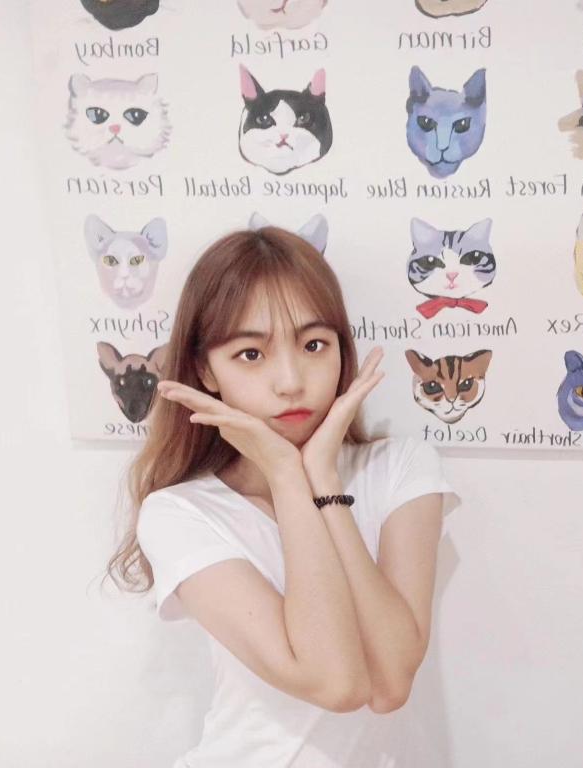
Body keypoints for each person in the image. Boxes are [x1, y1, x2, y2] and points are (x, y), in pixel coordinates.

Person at [106, 225, 461, 767]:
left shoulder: (401, 469)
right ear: (205, 370)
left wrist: (324, 481)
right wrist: (288, 477)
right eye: (251, 353)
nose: (290, 381)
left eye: (314, 345)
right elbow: (336, 683)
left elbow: (390, 685)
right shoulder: (180, 513)